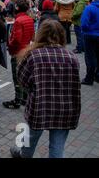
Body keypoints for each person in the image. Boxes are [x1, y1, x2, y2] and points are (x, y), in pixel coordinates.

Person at [10, 20, 81, 158]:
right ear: (62, 35)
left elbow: (23, 81)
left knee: (30, 140)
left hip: (40, 107)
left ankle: (23, 155)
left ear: (40, 35)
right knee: (57, 147)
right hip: (65, 109)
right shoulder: (72, 57)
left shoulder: (33, 56)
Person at [3, 0, 35, 109]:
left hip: (18, 52)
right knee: (25, 75)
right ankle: (25, 99)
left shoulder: (18, 21)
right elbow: (32, 36)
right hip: (27, 50)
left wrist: (10, 47)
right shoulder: (30, 19)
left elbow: (16, 39)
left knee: (16, 77)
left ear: (17, 8)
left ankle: (17, 99)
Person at [81, 0, 99, 85]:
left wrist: (84, 31)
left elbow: (84, 23)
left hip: (90, 35)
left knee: (90, 57)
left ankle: (89, 78)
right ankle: (97, 76)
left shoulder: (89, 8)